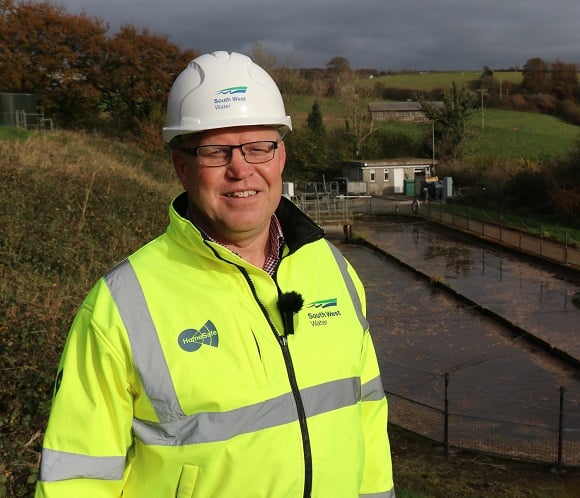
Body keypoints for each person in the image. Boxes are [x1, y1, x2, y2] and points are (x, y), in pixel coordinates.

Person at [35, 51, 395, 498]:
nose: (241, 168)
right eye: (214, 151)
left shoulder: (332, 268)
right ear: (181, 166)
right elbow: (77, 478)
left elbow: (367, 414)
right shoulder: (122, 303)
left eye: (259, 146)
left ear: (281, 157)